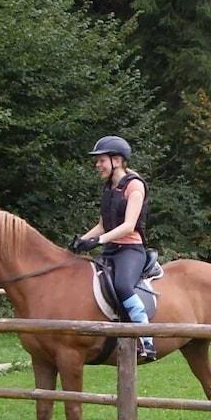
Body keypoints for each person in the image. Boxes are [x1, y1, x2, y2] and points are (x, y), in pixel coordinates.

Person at [69, 135, 156, 361]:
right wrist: (81, 240)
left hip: (131, 250)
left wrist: (98, 241)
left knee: (123, 285)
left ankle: (147, 340)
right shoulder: (109, 187)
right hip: (110, 249)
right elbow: (101, 225)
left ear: (116, 160)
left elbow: (128, 226)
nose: (97, 165)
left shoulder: (135, 186)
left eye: (101, 160)